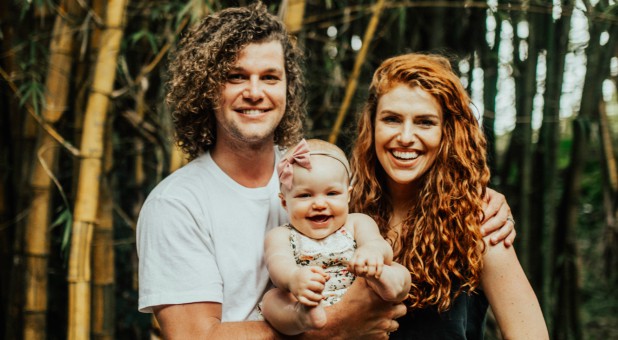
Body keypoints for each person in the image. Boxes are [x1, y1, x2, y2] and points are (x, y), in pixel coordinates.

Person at [136, 2, 515, 338]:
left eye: (270, 77)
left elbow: (406, 175)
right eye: (236, 76)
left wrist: (477, 200)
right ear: (206, 89)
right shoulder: (177, 204)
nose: (255, 91)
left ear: (288, 87)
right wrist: (336, 325)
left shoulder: (315, 170)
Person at [350, 52, 549, 339]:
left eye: (425, 122)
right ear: (371, 126)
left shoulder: (478, 222)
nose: (406, 136)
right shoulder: (342, 211)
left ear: (447, 132)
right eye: (392, 119)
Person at [261, 139, 411, 335]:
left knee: (399, 271)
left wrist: (372, 252)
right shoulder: (282, 234)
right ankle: (301, 317)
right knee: (271, 300)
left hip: (360, 297)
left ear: (348, 196)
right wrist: (293, 278)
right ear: (284, 202)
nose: (320, 204)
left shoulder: (356, 222)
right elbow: (277, 263)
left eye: (331, 193)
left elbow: (378, 244)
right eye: (305, 196)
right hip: (308, 300)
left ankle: (388, 284)